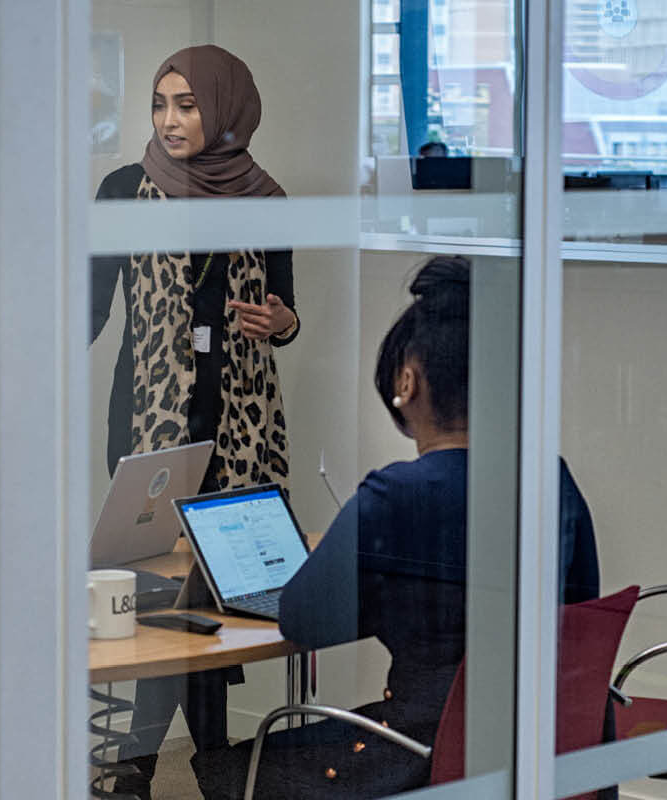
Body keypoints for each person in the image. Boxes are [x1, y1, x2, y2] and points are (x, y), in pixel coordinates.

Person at [191, 256, 603, 799]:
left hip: (425, 759)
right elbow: (582, 601)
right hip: (542, 752)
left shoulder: (398, 493)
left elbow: (302, 618)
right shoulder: (552, 478)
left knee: (229, 767)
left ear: (406, 380)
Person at [91, 44, 300, 796]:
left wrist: (279, 322)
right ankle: (162, 766)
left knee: (219, 603)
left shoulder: (266, 199)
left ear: (225, 110)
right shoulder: (122, 190)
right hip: (149, 425)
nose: (171, 120)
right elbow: (88, 309)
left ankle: (177, 767)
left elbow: (286, 308)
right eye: (159, 103)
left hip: (240, 423)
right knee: (157, 600)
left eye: (188, 104)